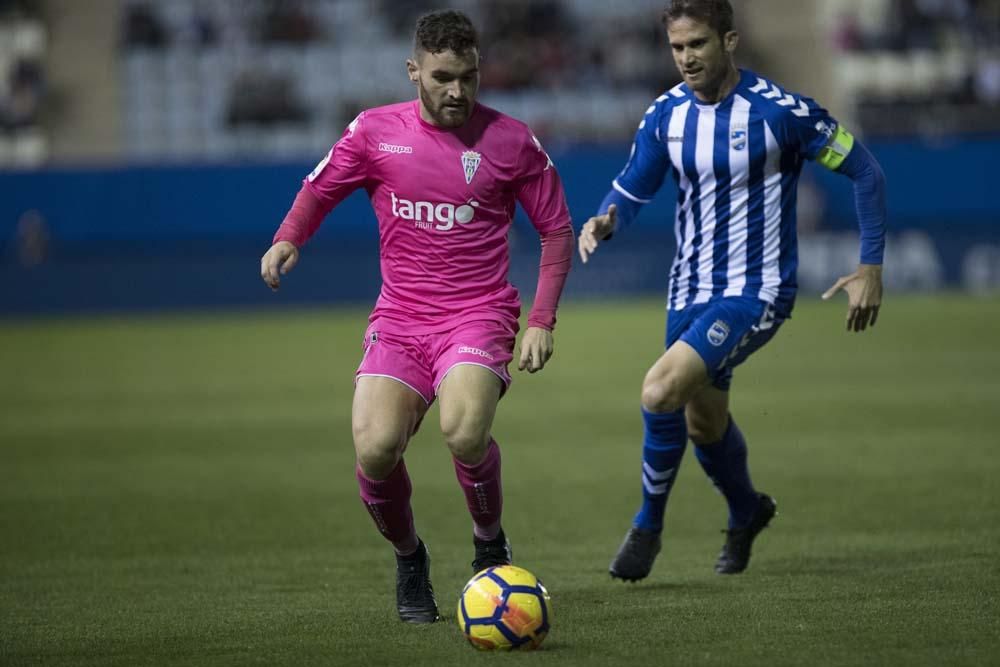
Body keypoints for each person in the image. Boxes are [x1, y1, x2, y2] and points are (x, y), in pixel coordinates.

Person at [260, 10, 574, 623]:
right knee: (376, 449)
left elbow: (557, 232)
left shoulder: (510, 141)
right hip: (401, 319)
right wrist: (288, 236)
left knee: (463, 430)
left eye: (469, 76)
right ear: (414, 72)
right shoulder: (375, 133)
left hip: (477, 315)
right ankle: (410, 559)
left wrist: (541, 320)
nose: (457, 91)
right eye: (443, 77)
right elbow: (321, 188)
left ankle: (489, 541)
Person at [578, 0, 886, 581]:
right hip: (688, 289)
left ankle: (647, 527)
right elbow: (633, 185)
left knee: (660, 388)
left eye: (697, 44)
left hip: (758, 290)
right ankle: (748, 511)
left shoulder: (780, 112)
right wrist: (605, 218)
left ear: (730, 41)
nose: (687, 58)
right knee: (703, 422)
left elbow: (866, 171)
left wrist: (870, 265)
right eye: (677, 48)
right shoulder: (665, 114)